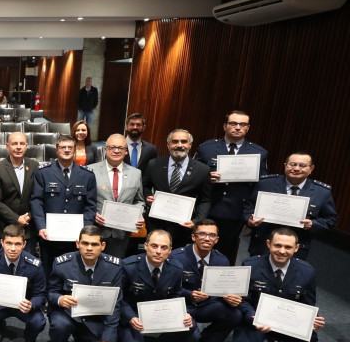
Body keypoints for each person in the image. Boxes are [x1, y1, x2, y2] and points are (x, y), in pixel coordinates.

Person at [228, 228, 324, 342]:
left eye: (288, 247)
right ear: (268, 244)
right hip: (257, 320)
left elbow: (308, 303)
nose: (282, 251)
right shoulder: (251, 265)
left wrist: (312, 320)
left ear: (296, 248)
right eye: (277, 245)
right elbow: (242, 299)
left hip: (288, 324)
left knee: (310, 338)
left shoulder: (307, 271)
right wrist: (253, 317)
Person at [46, 225, 124, 342]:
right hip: (68, 315)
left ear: (102, 246)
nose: (89, 248)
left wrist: (107, 341)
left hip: (96, 321)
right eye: (85, 243)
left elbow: (115, 305)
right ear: (77, 244)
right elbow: (51, 292)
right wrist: (60, 299)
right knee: (60, 325)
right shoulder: (62, 263)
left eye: (94, 244)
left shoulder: (114, 267)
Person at [194, 111, 268, 260]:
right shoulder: (206, 148)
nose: (238, 127)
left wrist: (250, 216)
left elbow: (261, 187)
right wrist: (206, 177)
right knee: (200, 247)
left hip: (236, 212)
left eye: (243, 124)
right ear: (225, 126)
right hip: (208, 208)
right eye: (233, 123)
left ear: (248, 128)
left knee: (226, 252)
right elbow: (192, 176)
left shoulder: (258, 153)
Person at [118, 229, 195, 342]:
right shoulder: (128, 266)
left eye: (164, 247)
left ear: (170, 250)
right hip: (134, 314)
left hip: (160, 313)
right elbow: (118, 298)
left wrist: (182, 312)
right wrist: (130, 317)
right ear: (146, 246)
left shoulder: (176, 268)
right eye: (154, 246)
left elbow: (175, 295)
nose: (158, 251)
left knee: (190, 324)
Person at [168, 219, 243, 342]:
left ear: (217, 240)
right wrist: (188, 294)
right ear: (193, 236)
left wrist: (232, 298)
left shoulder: (222, 261)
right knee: (191, 339)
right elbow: (167, 287)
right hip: (183, 305)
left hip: (207, 305)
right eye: (202, 234)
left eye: (212, 235)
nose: (207, 238)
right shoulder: (176, 257)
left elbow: (224, 289)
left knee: (235, 314)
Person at [243, 152, 337, 260]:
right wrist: (249, 221)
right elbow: (248, 206)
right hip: (264, 243)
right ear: (285, 166)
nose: (296, 169)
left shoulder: (321, 192)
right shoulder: (266, 184)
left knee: (290, 276)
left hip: (297, 247)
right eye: (292, 164)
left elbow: (331, 219)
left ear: (311, 168)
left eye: (302, 165)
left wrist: (312, 224)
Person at [31, 134, 98, 276]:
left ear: (75, 150)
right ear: (56, 150)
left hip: (75, 237)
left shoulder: (87, 175)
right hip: (49, 235)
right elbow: (37, 201)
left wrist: (84, 230)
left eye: (70, 147)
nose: (67, 150)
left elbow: (90, 205)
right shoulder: (43, 172)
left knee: (73, 271)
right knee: (48, 270)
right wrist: (41, 226)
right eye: (63, 147)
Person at [142, 129, 212, 252]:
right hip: (157, 224)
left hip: (183, 227)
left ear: (190, 145)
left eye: (184, 141)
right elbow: (144, 186)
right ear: (168, 145)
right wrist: (148, 196)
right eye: (175, 141)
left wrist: (196, 221)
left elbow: (205, 199)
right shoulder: (154, 164)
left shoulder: (202, 170)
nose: (179, 145)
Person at [86, 134, 146, 259]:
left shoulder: (136, 173)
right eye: (112, 147)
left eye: (121, 148)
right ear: (105, 149)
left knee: (114, 268)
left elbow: (139, 201)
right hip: (95, 231)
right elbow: (83, 201)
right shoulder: (90, 170)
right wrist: (93, 214)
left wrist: (139, 214)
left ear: (126, 152)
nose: (116, 151)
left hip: (122, 234)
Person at [0, 131, 38, 247]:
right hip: (5, 228)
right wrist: (16, 219)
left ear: (26, 146)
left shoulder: (34, 166)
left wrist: (30, 215)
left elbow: (38, 196)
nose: (18, 147)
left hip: (28, 229)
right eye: (14, 144)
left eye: (22, 144)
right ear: (7, 146)